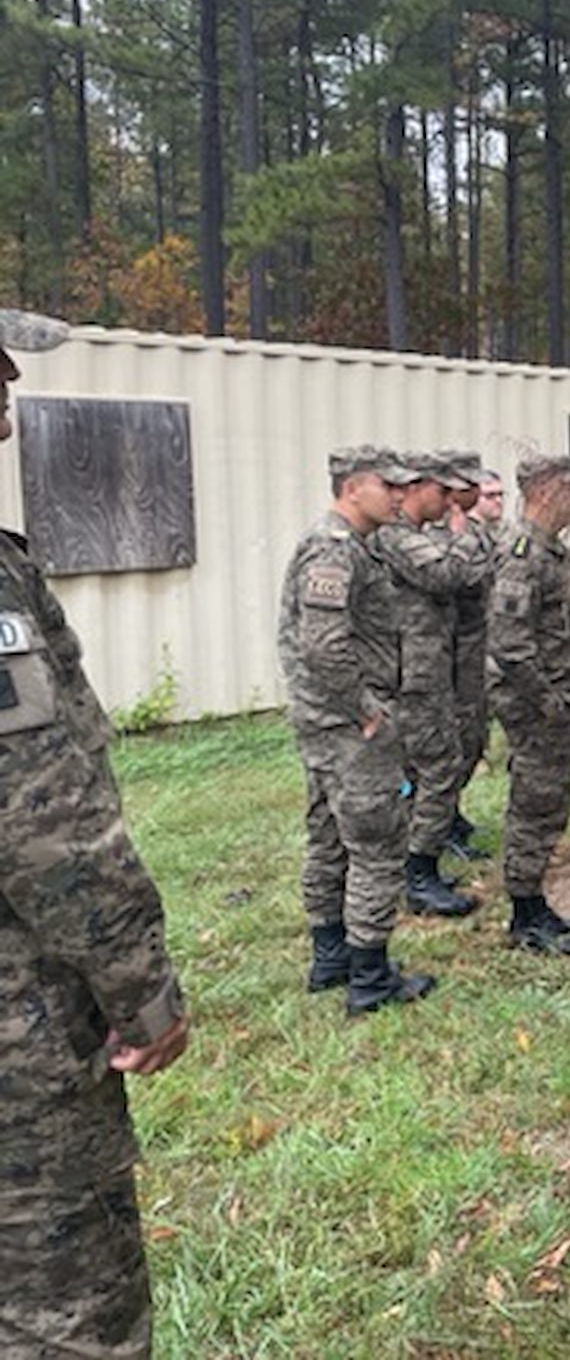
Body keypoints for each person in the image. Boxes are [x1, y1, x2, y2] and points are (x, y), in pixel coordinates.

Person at [1, 307, 190, 1357]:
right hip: (18, 1052)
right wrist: (144, 996)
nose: (8, 385)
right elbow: (46, 828)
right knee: (72, 1315)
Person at [277, 445, 438, 1012]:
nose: (398, 496)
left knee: (327, 837)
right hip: (348, 730)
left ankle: (332, 958)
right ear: (351, 488)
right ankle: (370, 978)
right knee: (375, 844)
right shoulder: (334, 550)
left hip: (326, 726)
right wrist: (366, 708)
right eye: (387, 486)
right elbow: (323, 644)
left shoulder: (353, 547)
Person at [487, 454, 570, 954]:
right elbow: (509, 644)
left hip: (558, 699)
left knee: (548, 804)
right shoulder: (523, 557)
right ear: (544, 492)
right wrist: (548, 701)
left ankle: (531, 901)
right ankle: (525, 913)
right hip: (538, 706)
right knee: (535, 805)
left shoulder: (553, 552)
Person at [369, 451, 488, 919]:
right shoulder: (395, 537)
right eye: (443, 492)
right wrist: (461, 538)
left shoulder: (414, 536)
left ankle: (419, 866)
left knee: (431, 768)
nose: (450, 503)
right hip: (412, 677)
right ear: (418, 488)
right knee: (436, 768)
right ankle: (416, 873)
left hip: (432, 669)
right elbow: (447, 575)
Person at [445, 455, 500, 859]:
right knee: (459, 740)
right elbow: (467, 581)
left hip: (479, 651)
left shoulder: (488, 536)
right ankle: (438, 823)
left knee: (475, 736)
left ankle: (448, 814)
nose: (497, 501)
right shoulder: (459, 537)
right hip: (456, 655)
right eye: (489, 495)